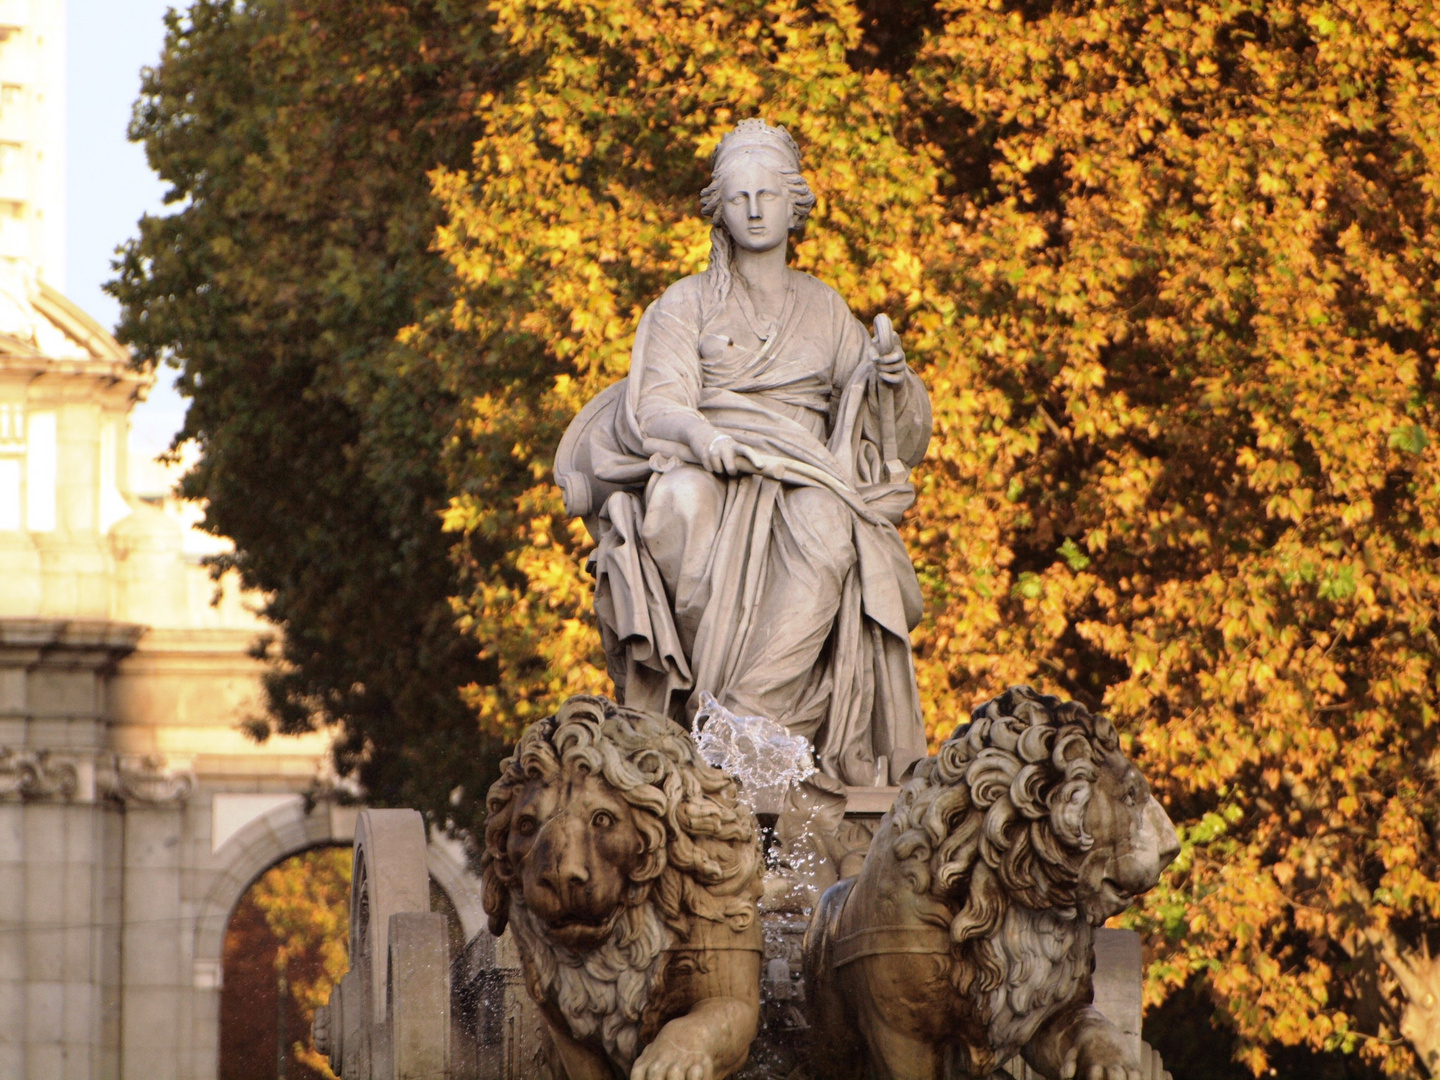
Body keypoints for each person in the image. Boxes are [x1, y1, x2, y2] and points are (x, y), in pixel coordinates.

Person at [555, 119, 931, 787]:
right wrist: (710, 441)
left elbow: (884, 428)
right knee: (679, 503)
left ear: (794, 205)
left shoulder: (825, 308)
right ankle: (707, 713)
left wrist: (893, 382)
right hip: (708, 459)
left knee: (829, 526)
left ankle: (745, 723)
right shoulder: (684, 303)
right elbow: (659, 405)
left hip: (806, 473)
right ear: (718, 212)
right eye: (738, 197)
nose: (755, 210)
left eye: (767, 195)